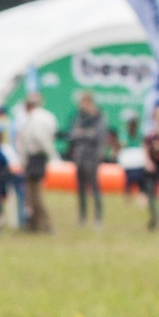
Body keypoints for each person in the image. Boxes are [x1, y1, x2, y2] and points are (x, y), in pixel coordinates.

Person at [18, 91, 58, 233]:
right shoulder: (47, 117)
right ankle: (34, 224)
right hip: (39, 157)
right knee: (32, 193)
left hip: (34, 157)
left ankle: (44, 224)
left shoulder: (34, 118)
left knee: (34, 193)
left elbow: (36, 138)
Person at [68, 91, 108, 225]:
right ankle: (82, 217)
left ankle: (98, 217)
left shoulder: (99, 117)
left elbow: (97, 135)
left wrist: (83, 133)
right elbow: (73, 134)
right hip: (80, 156)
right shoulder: (80, 117)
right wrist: (85, 133)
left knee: (95, 187)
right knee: (80, 188)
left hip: (92, 157)